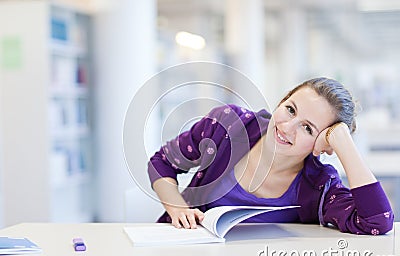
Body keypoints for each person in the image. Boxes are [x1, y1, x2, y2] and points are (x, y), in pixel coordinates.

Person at [148, 77, 394, 235]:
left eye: (308, 128)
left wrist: (343, 143)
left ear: (324, 143)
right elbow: (162, 163)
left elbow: (376, 222)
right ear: (282, 100)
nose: (287, 127)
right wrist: (178, 208)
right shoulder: (227, 125)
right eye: (290, 109)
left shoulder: (319, 187)